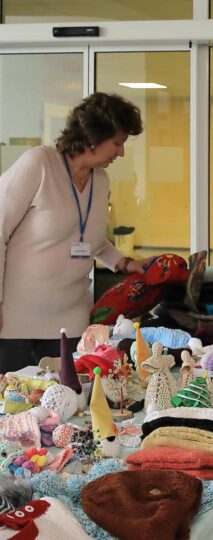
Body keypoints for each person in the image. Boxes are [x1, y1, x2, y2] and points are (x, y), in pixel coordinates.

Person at [0, 92, 150, 372]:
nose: (121, 152)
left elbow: (87, 237)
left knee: (69, 407)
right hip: (14, 323)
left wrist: (123, 262)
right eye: (117, 143)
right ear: (94, 137)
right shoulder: (39, 164)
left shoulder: (100, 180)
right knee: (15, 407)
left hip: (70, 322)